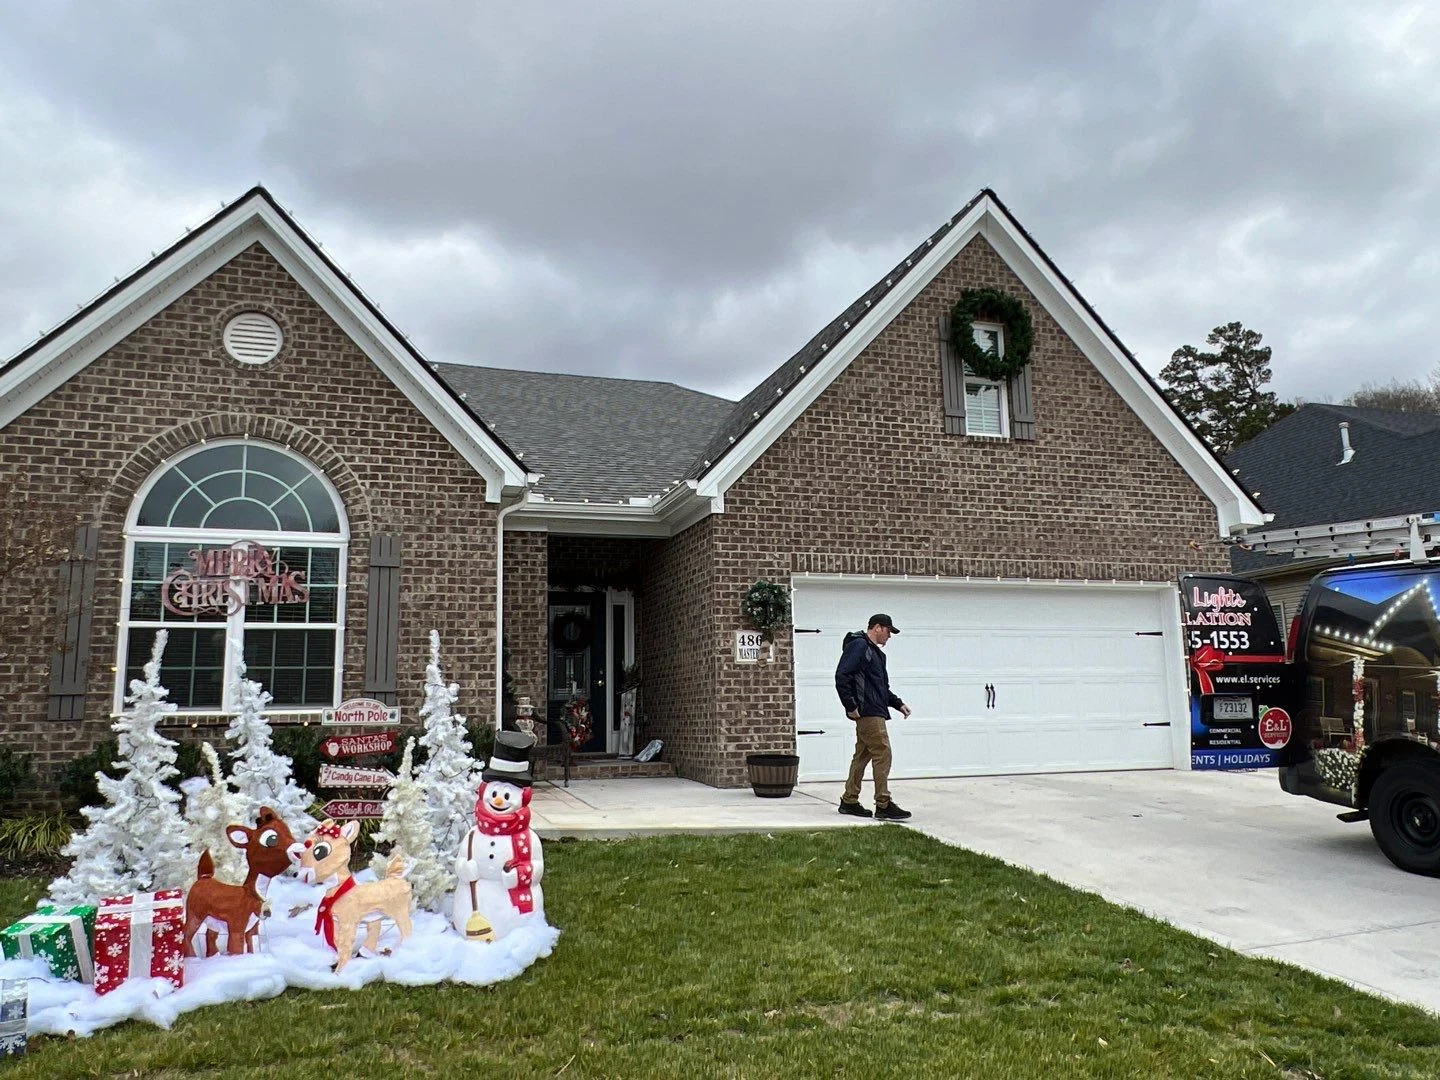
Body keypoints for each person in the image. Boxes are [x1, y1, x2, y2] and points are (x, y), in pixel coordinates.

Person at [834, 613, 912, 820]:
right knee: (883, 752)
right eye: (888, 631)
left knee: (862, 755)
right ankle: (883, 804)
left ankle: (849, 800)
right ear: (877, 627)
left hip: (874, 709)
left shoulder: (876, 654)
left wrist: (898, 703)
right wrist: (850, 705)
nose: (889, 636)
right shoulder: (859, 646)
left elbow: (880, 688)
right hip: (868, 711)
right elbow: (842, 675)